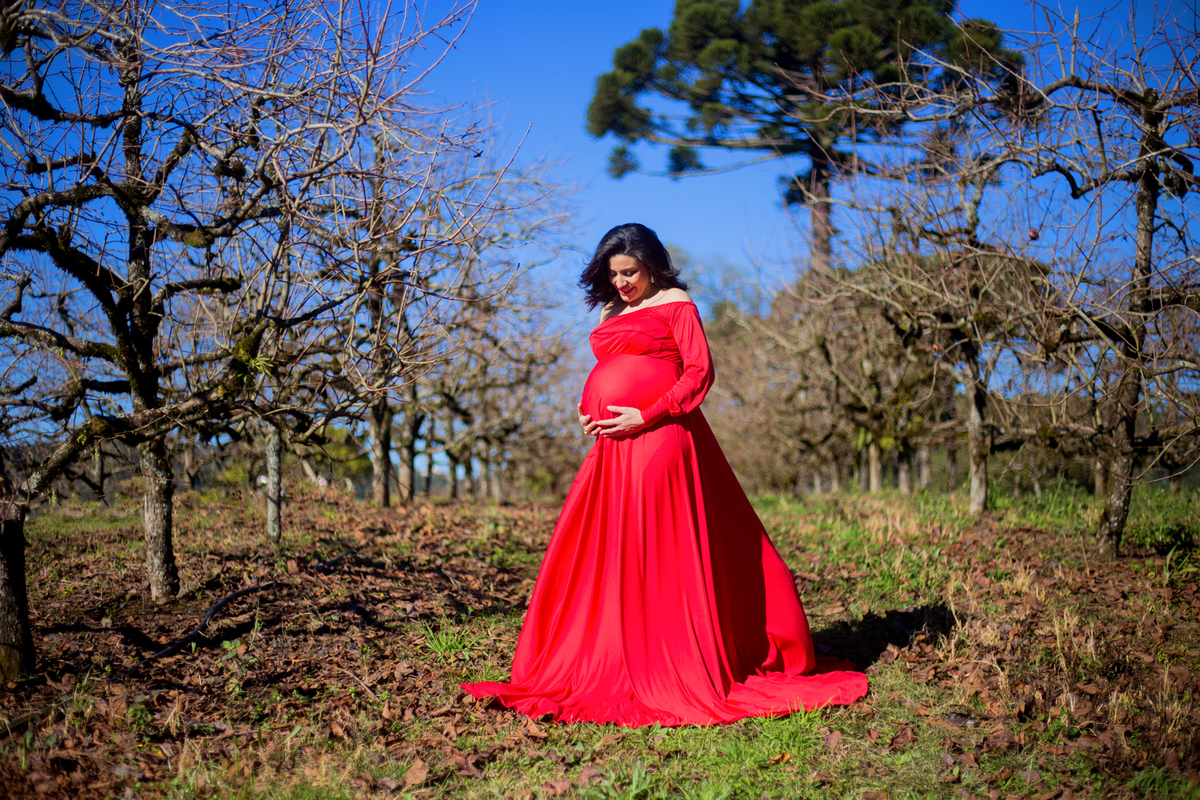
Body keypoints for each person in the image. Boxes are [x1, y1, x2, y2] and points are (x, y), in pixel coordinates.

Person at [462, 223, 867, 727]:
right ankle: (617, 652)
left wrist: (645, 413)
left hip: (662, 436)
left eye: (630, 272)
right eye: (613, 274)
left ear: (652, 265)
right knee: (613, 547)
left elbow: (699, 372)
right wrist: (591, 412)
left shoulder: (676, 302)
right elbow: (613, 368)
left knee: (658, 544)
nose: (621, 283)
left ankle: (667, 658)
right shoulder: (611, 309)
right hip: (614, 448)